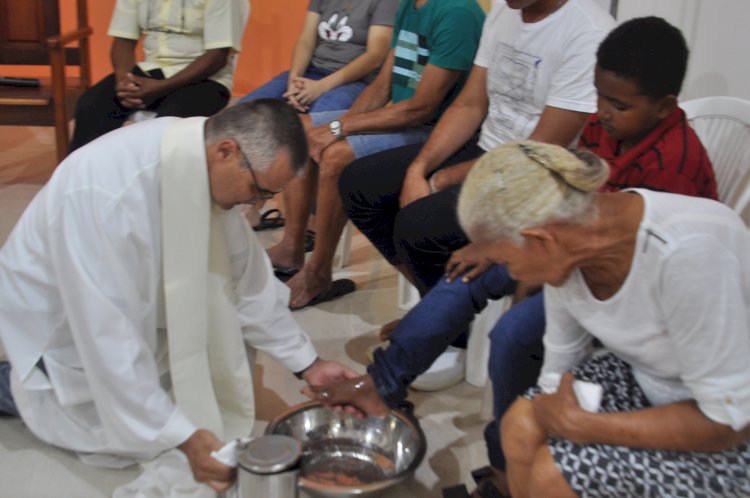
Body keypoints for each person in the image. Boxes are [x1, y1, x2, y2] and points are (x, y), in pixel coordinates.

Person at [355, 16, 721, 494]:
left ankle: (507, 465)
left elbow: (623, 269)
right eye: (598, 97)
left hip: (623, 287)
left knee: (512, 334)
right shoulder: (604, 124)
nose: (602, 113)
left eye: (618, 104)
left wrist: (535, 271)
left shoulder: (673, 168)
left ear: (664, 106)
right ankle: (382, 385)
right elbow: (571, 197)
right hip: (570, 246)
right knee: (468, 269)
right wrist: (503, 244)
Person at [306, 140, 750, 497]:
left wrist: (587, 427)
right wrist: (556, 416)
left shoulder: (689, 256)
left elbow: (729, 422)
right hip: (648, 376)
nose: (507, 275)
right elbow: (558, 366)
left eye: (505, 260)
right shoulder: (572, 252)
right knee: (519, 426)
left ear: (539, 239)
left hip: (722, 426)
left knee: (553, 475)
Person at [0, 100, 358, 494]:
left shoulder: (196, 154)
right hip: (60, 321)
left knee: (199, 374)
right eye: (258, 191)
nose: (256, 205)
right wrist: (181, 436)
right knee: (112, 432)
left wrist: (307, 364)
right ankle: (13, 383)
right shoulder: (106, 195)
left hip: (131, 304)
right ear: (227, 151)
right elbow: (107, 336)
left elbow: (246, 282)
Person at [339, 0, 615, 299]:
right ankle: (432, 307)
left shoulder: (589, 33)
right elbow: (469, 105)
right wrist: (418, 169)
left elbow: (540, 148)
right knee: (359, 183)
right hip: (488, 146)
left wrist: (437, 180)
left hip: (539, 173)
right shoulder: (503, 10)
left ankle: (449, 334)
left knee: (418, 224)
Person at [267, 0, 486, 309]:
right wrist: (341, 127)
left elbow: (421, 107)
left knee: (337, 155)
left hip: (435, 129)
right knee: (298, 130)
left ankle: (319, 271)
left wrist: (339, 132)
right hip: (404, 115)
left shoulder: (457, 12)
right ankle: (292, 246)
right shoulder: (409, 6)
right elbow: (383, 86)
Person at [68, 0, 249, 152]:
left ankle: (153, 188)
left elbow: (217, 56)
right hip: (150, 71)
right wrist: (125, 81)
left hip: (205, 79)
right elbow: (123, 40)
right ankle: (84, 181)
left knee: (167, 125)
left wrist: (160, 88)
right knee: (91, 105)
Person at [239, 0, 398, 113]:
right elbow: (306, 41)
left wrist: (321, 87)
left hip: (355, 80)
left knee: (316, 120)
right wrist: (294, 79)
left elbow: (375, 56)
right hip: (312, 71)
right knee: (242, 111)